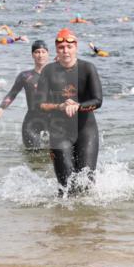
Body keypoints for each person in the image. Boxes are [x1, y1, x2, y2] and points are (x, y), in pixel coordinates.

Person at [37, 29, 103, 195]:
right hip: (59, 131)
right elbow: (40, 104)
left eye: (69, 47)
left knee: (86, 184)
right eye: (61, 47)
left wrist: (78, 106)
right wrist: (59, 106)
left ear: (76, 47)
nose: (65, 51)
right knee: (66, 186)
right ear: (56, 50)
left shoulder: (88, 68)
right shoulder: (48, 71)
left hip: (86, 130)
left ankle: (84, 220)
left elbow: (98, 101)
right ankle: (63, 219)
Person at [0, 39, 50, 149]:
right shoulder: (25, 76)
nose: (40, 55)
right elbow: (12, 94)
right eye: (37, 52)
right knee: (32, 155)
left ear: (48, 54)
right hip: (31, 121)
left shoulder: (55, 74)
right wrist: (1, 108)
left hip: (52, 121)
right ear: (32, 55)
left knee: (55, 157)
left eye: (43, 52)